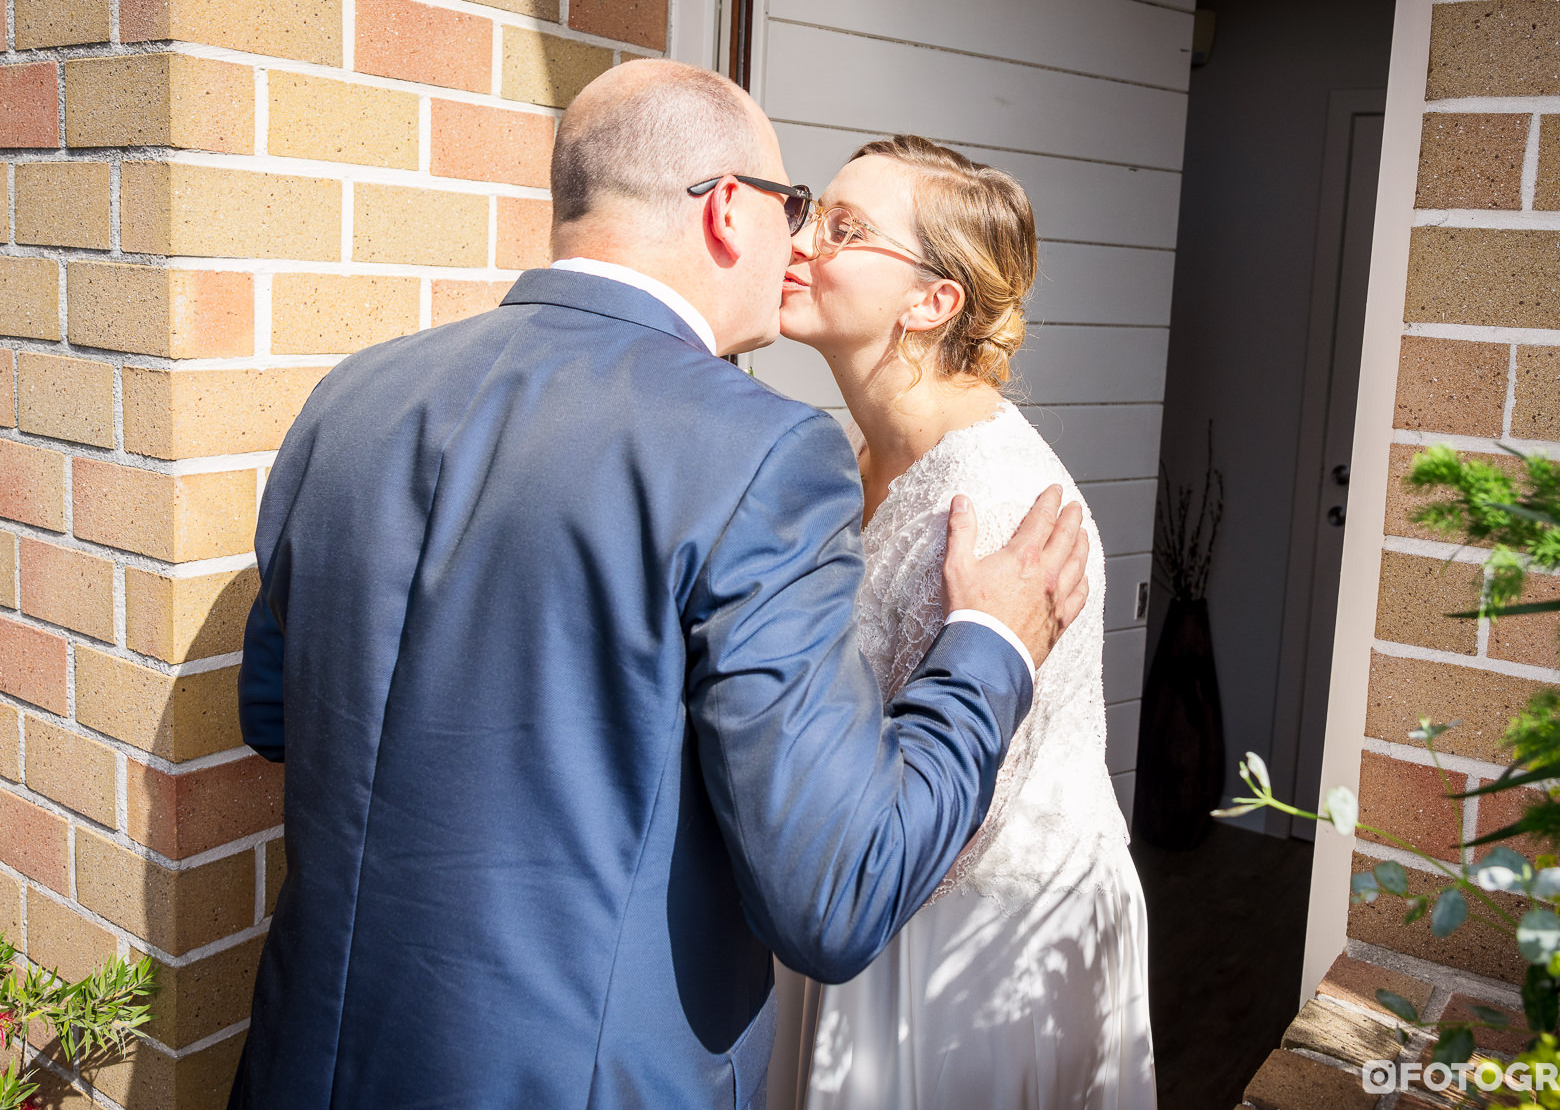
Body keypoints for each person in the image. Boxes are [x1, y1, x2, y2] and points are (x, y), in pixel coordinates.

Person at [227, 61, 1091, 1110]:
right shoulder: (760, 454)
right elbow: (836, 895)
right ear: (731, 211)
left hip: (303, 1060)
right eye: (795, 207)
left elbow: (276, 712)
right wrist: (988, 650)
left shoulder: (350, 396)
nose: (800, 239)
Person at [773, 136, 1156, 1109]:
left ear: (933, 301)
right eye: (815, 211)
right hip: (882, 891)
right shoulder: (871, 449)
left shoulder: (990, 502)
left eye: (845, 229)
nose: (802, 239)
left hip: (976, 943)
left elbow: (952, 800)